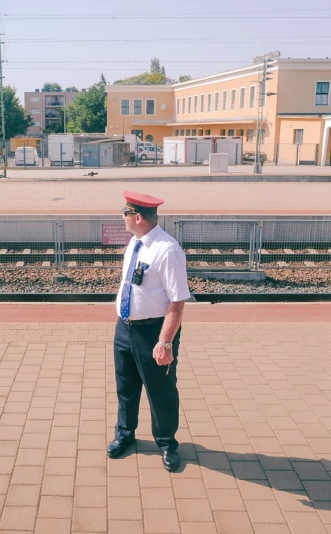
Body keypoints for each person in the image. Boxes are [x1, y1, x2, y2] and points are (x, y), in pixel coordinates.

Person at [107, 190, 190, 472]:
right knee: (126, 388)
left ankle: (167, 443)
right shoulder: (136, 243)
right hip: (125, 329)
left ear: (138, 217)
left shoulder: (167, 249)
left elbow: (178, 301)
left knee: (161, 391)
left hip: (153, 333)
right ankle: (125, 436)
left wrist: (165, 342)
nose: (123, 218)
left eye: (125, 214)